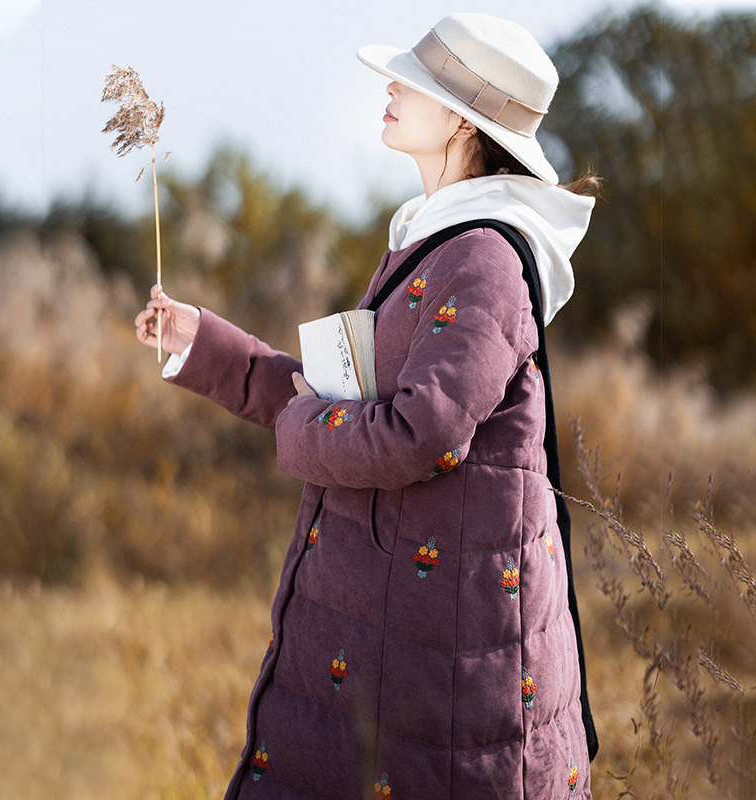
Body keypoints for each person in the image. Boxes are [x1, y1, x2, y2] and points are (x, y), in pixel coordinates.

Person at [135, 13, 598, 799]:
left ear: (460, 117)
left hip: (444, 653)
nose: (389, 87)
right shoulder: (434, 243)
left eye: (410, 81)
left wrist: (301, 429)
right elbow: (342, 398)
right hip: (402, 632)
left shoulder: (484, 257)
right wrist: (200, 343)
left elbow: (418, 433)